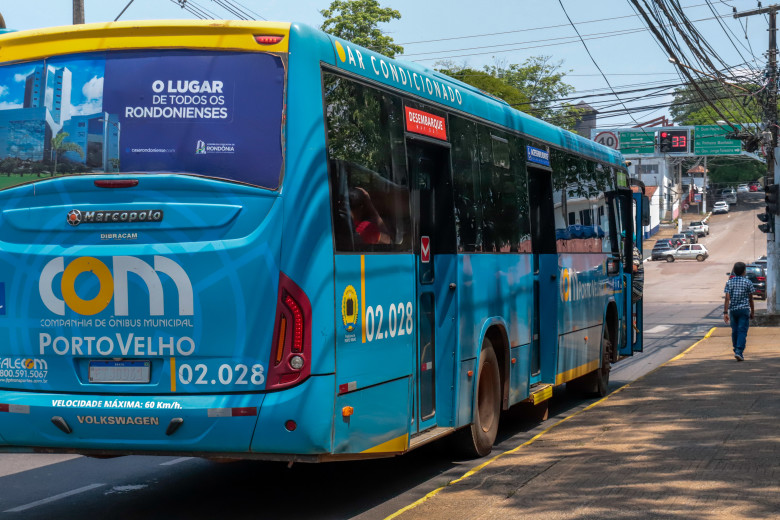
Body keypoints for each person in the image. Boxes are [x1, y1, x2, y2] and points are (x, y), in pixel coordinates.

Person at [723, 261, 755, 361]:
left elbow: (727, 298)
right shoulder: (747, 282)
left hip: (733, 310)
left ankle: (736, 348)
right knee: (742, 331)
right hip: (744, 310)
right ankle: (738, 351)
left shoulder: (729, 282)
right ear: (744, 272)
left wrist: (725, 312)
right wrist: (752, 311)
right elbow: (751, 298)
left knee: (735, 330)